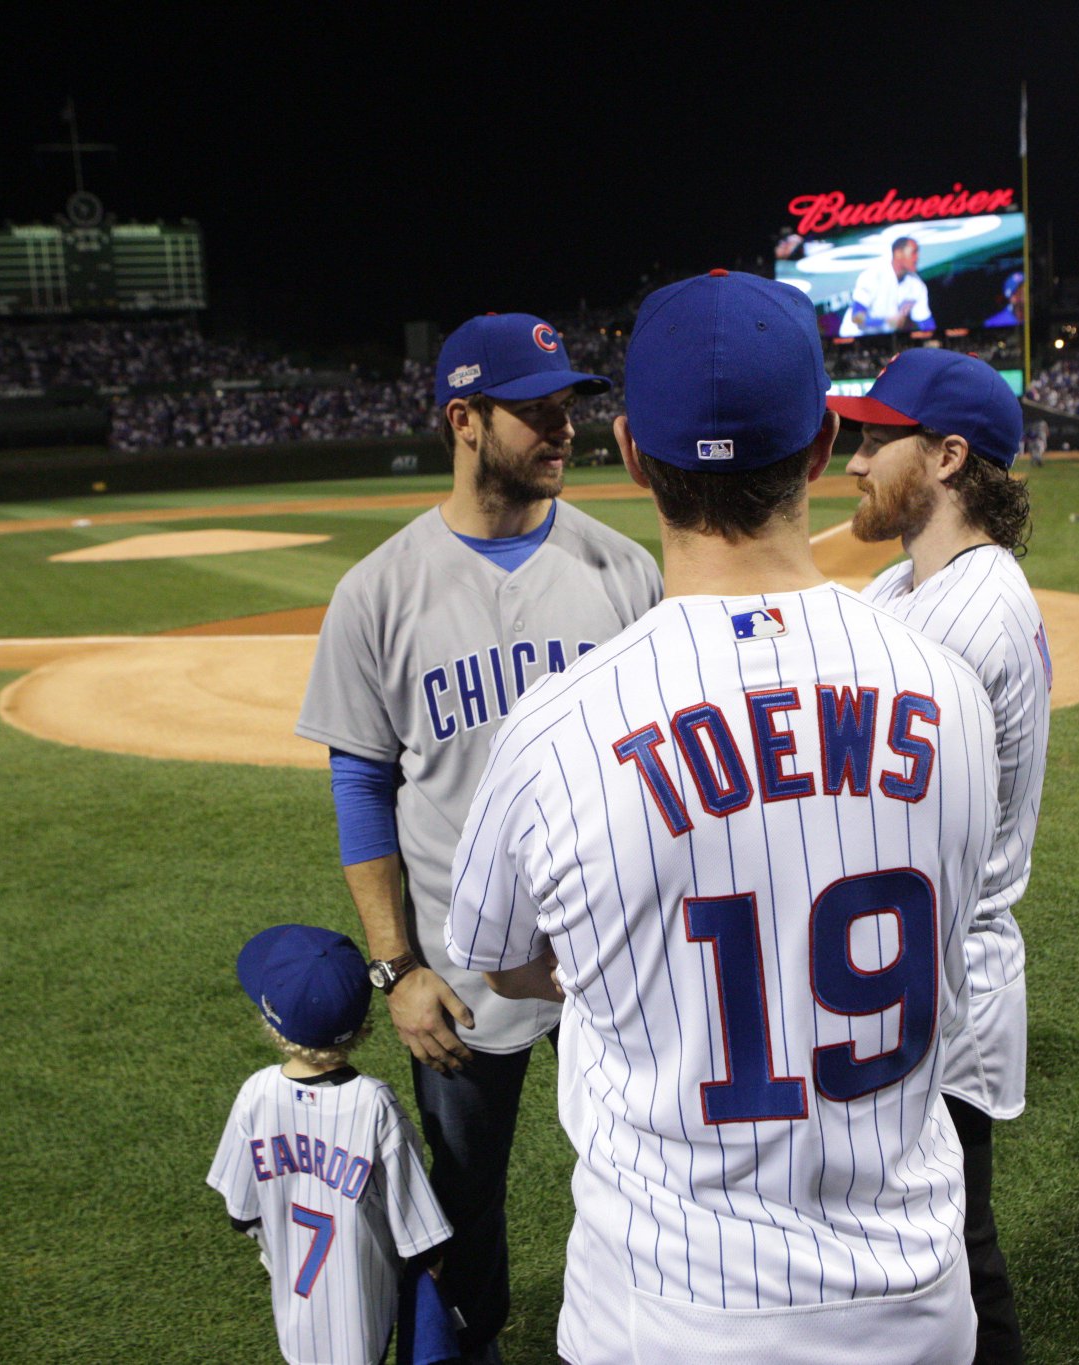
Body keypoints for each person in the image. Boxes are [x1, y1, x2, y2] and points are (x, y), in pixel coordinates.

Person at [447, 270, 999, 1365]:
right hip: (911, 1301)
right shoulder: (947, 692)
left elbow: (497, 964)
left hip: (663, 1311)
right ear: (816, 445)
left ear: (630, 454)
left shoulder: (556, 729)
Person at [295, 312, 663, 1364]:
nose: (564, 427)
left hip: (612, 961)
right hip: (457, 974)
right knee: (464, 1204)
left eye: (568, 405)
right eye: (535, 408)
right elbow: (361, 787)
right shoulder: (379, 591)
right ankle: (477, 1340)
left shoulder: (621, 571)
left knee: (645, 1172)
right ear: (463, 419)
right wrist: (396, 967)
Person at [832, 349, 1049, 1365]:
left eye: (878, 440)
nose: (853, 461)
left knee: (952, 1256)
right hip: (907, 966)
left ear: (949, 457)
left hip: (941, 983)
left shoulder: (968, 613)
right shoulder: (907, 584)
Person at [207, 925, 456, 1365]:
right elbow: (421, 1238)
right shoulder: (372, 1104)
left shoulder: (256, 1093)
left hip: (294, 1315)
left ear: (270, 1017)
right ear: (363, 1023)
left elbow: (241, 1213)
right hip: (362, 1314)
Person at [841, 235, 935, 338]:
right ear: (898, 253)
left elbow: (926, 323)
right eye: (913, 252)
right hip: (853, 338)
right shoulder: (873, 276)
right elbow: (856, 318)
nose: (917, 258)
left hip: (886, 340)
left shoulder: (917, 285)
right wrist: (886, 321)